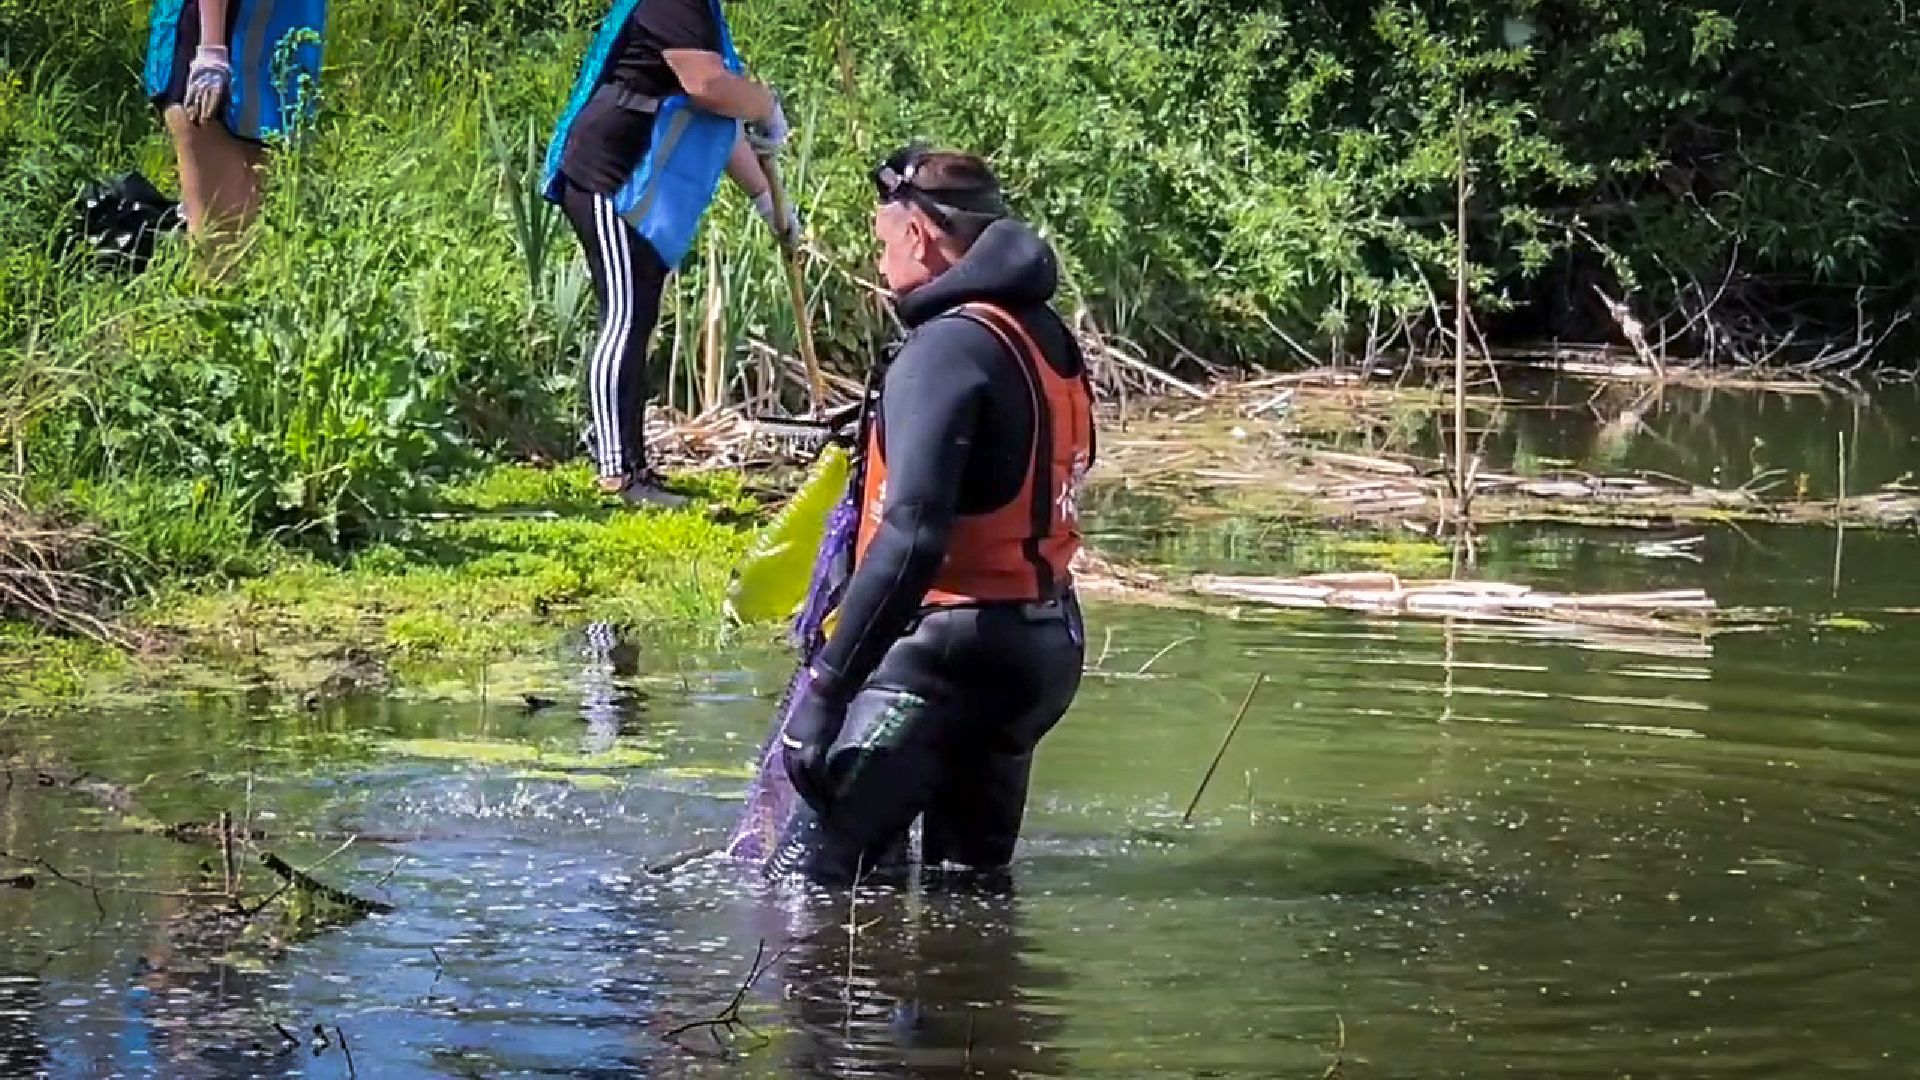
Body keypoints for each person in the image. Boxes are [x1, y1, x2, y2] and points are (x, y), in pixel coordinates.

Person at [769, 146, 1096, 888]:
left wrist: (824, 692)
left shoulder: (944, 349)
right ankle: (971, 1001)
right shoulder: (1042, 335)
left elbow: (912, 537)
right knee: (966, 901)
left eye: (882, 241)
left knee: (806, 886)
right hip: (1038, 648)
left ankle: (827, 1005)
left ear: (918, 234)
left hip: (945, 654)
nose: (881, 261)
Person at [542, 0, 799, 508]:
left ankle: (633, 464)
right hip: (607, 178)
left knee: (637, 319)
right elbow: (706, 87)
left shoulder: (701, 14)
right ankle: (617, 471)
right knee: (624, 315)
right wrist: (764, 105)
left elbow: (718, 125)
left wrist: (770, 206)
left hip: (638, 187)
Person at [143, 0, 328, 271]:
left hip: (265, 55)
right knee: (220, 251)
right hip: (215, 52)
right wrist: (211, 49)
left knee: (242, 248)